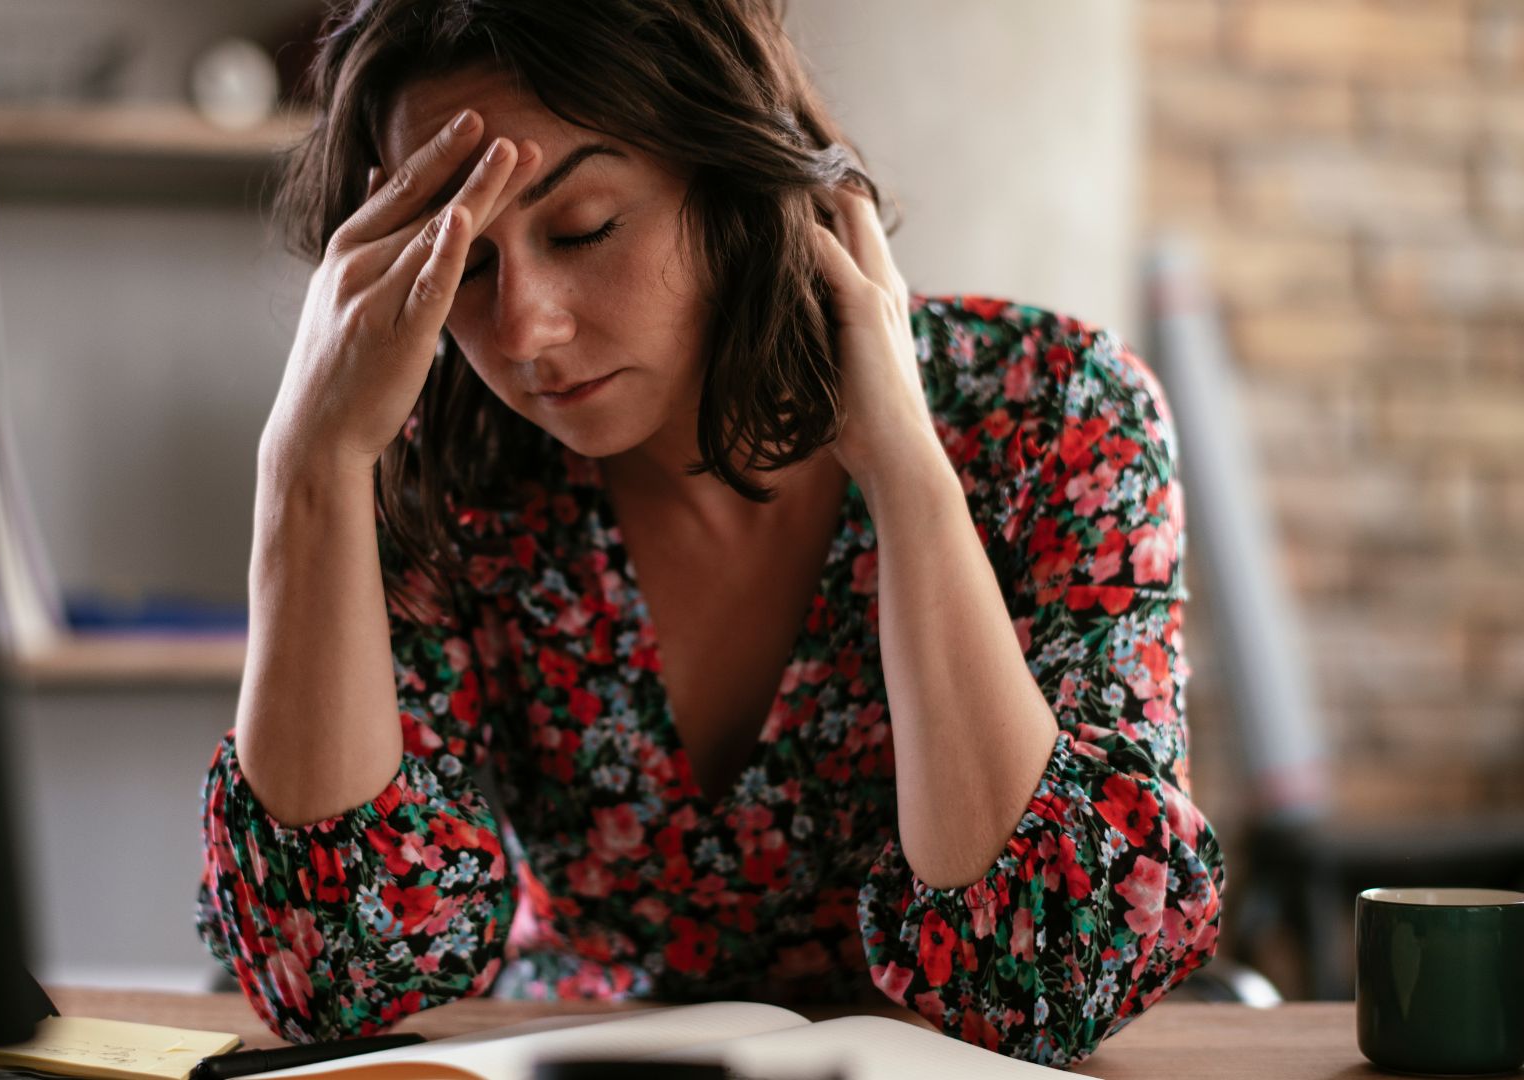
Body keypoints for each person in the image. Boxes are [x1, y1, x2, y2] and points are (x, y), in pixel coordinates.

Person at [196, 0, 1225, 1066]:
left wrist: (907, 474)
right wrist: (304, 469)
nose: (523, 329)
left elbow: (1054, 981)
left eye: (584, 226)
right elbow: (333, 980)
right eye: (467, 260)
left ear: (737, 178)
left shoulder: (1055, 415)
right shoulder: (433, 466)